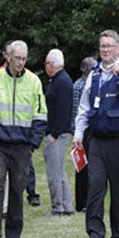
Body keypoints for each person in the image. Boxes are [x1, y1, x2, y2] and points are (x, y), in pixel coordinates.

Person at [73, 30, 119, 238]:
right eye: (102, 46)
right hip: (98, 141)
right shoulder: (93, 75)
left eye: (109, 46)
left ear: (118, 49)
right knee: (94, 187)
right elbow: (84, 107)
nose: (105, 50)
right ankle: (95, 235)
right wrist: (78, 133)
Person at [0, 40, 47, 238]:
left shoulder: (34, 81)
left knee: (18, 190)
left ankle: (14, 237)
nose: (20, 62)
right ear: (8, 57)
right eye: (17, 58)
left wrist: (32, 145)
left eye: (24, 59)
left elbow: (40, 114)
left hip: (22, 146)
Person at [43, 49, 74, 216]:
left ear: (51, 64)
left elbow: (63, 111)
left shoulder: (61, 82)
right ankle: (67, 205)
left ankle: (58, 207)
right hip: (60, 133)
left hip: (57, 133)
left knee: (54, 172)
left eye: (46, 63)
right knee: (60, 170)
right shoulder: (61, 80)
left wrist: (54, 134)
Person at [71, 57, 97, 212]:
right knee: (82, 167)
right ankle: (82, 203)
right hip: (83, 131)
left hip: (91, 129)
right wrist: (77, 133)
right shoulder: (79, 86)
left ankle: (88, 200)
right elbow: (76, 111)